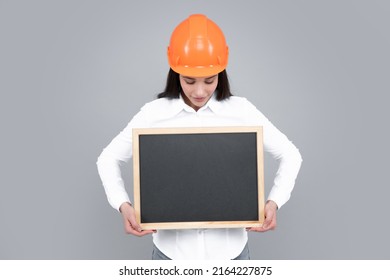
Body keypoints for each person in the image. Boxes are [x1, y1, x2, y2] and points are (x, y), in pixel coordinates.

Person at [97, 14, 302, 260]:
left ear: (221, 73)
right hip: (171, 257)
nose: (200, 91)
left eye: (209, 80)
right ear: (175, 72)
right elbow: (107, 159)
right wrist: (123, 204)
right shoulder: (154, 114)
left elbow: (290, 155)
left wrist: (274, 201)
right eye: (189, 80)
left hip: (231, 257)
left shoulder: (242, 111)